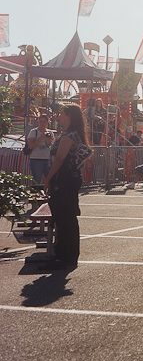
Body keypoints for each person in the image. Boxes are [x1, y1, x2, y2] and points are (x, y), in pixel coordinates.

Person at [43, 105, 90, 270]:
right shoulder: (72, 134)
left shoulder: (70, 135)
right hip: (69, 179)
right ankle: (65, 255)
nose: (58, 117)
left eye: (61, 114)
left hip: (65, 180)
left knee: (64, 217)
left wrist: (48, 178)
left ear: (69, 116)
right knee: (65, 217)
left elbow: (60, 159)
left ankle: (66, 256)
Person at [26, 114, 53, 185]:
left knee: (50, 179)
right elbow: (31, 146)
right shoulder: (33, 132)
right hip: (36, 159)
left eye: (44, 121)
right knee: (37, 180)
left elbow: (49, 145)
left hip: (47, 159)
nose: (42, 123)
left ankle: (49, 194)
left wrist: (48, 140)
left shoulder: (50, 133)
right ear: (38, 122)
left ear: (47, 122)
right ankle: (36, 194)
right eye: (41, 121)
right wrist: (40, 139)